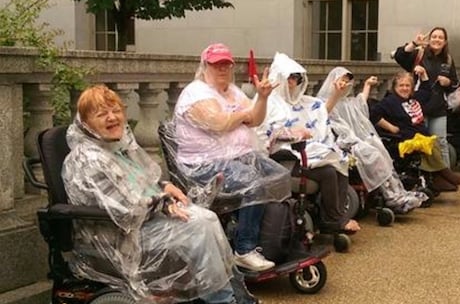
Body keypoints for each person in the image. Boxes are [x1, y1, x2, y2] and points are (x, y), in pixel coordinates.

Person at [62, 84, 258, 304]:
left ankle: (234, 300)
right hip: (116, 236)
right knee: (199, 227)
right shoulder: (88, 160)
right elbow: (122, 208)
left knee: (206, 219)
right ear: (87, 123)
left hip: (141, 222)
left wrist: (164, 186)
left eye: (115, 110)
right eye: (101, 114)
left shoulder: (116, 147)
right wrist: (162, 203)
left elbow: (140, 182)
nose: (112, 117)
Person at [172, 43, 292, 271]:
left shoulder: (232, 91)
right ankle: (244, 249)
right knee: (252, 181)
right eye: (217, 64)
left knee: (279, 176)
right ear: (205, 65)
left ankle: (271, 238)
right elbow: (218, 123)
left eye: (227, 64)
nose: (223, 69)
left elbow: (255, 120)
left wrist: (262, 98)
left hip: (237, 156)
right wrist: (243, 114)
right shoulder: (195, 92)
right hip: (202, 164)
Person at [262, 53, 361, 233]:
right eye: (289, 77)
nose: (293, 82)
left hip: (305, 153)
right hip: (282, 159)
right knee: (328, 172)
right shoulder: (270, 103)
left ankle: (333, 216)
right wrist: (291, 134)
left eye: (297, 78)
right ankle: (334, 220)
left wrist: (336, 94)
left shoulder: (302, 102)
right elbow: (264, 133)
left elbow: (320, 114)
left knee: (341, 162)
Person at [315, 66, 426, 213]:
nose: (344, 85)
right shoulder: (322, 102)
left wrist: (367, 85)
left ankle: (396, 192)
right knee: (371, 154)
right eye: (342, 81)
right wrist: (335, 94)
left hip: (353, 140)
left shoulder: (347, 102)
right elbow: (323, 116)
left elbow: (361, 102)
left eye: (347, 82)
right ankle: (391, 196)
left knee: (378, 148)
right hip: (338, 143)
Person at [370, 71, 460, 192]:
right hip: (405, 137)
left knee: (433, 141)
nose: (404, 88)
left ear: (411, 88)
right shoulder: (390, 101)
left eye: (407, 86)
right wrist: (390, 127)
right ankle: (444, 173)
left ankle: (437, 177)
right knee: (428, 143)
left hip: (421, 135)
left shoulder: (413, 99)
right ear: (395, 87)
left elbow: (427, 90)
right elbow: (373, 114)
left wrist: (424, 74)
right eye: (401, 85)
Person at [392, 27, 458, 167]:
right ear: (429, 39)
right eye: (434, 36)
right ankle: (423, 176)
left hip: (438, 107)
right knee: (420, 142)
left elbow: (455, 84)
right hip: (418, 107)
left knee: (441, 142)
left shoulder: (448, 60)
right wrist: (414, 43)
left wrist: (448, 82)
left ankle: (445, 174)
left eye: (440, 37)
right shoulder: (419, 54)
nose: (437, 40)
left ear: (445, 42)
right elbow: (399, 56)